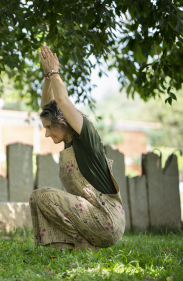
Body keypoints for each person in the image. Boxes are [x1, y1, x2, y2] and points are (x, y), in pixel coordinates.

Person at [29, 44, 125, 251]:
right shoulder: (69, 140)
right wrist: (47, 76)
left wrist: (55, 72)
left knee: (44, 195)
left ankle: (84, 245)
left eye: (49, 127)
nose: (46, 133)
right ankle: (64, 247)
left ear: (63, 122)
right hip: (93, 216)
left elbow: (61, 101)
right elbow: (48, 105)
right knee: (36, 198)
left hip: (107, 218)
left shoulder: (86, 135)